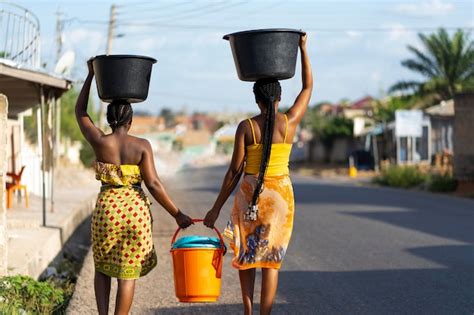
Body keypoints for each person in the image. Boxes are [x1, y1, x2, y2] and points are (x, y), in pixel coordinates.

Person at [204, 34, 313, 315]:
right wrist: (302, 48)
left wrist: (216, 209)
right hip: (280, 197)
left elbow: (234, 170)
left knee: (246, 255)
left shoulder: (246, 127)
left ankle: (248, 311)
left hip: (250, 195)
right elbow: (308, 87)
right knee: (270, 260)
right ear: (278, 97)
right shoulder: (289, 124)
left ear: (256, 98)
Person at [75, 60, 193, 315]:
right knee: (127, 276)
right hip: (134, 214)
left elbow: (80, 112)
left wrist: (90, 76)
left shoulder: (99, 141)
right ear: (131, 119)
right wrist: (177, 214)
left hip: (107, 211)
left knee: (103, 268)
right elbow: (153, 184)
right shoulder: (142, 146)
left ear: (108, 119)